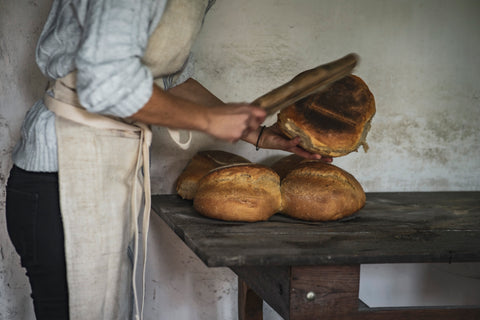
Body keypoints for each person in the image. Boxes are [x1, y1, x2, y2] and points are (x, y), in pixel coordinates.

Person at [6, 0, 330, 319]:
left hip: (107, 170)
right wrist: (207, 120)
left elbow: (168, 87)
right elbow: (107, 83)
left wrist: (258, 135)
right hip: (64, 172)